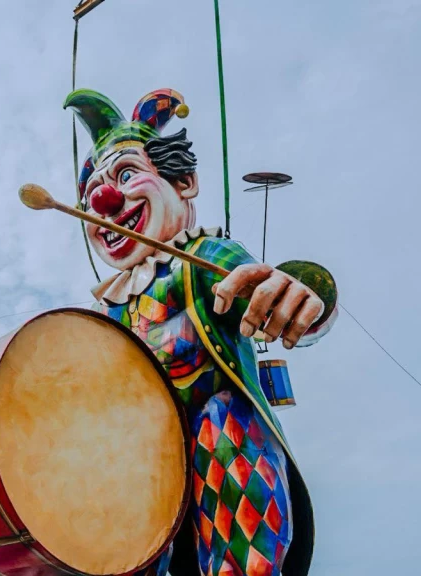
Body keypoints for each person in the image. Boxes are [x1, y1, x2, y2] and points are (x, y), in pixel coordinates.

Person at [67, 88, 337, 576]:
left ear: (184, 182)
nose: (103, 200)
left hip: (229, 467)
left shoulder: (207, 259)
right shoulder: (106, 309)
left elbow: (273, 287)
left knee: (221, 418)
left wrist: (297, 292)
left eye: (126, 175)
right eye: (91, 193)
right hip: (151, 480)